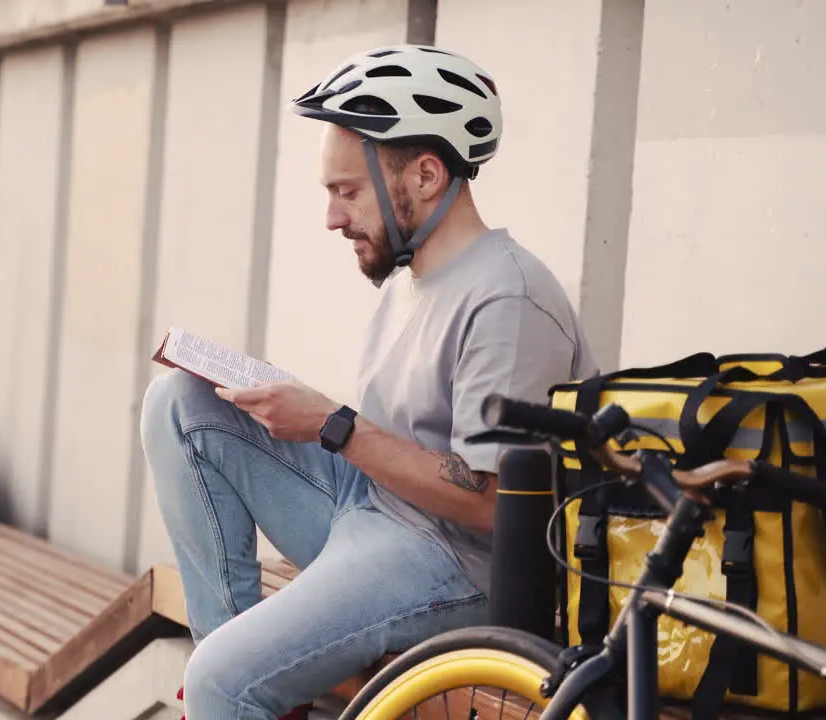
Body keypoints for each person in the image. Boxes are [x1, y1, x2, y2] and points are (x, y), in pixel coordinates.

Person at [140, 43, 598, 719]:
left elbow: (494, 505)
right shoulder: (412, 281)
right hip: (375, 512)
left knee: (219, 680)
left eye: (347, 191)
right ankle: (243, 672)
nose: (332, 218)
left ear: (426, 174)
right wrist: (300, 414)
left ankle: (229, 689)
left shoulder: (508, 298)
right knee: (182, 404)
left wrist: (333, 424)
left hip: (458, 565)